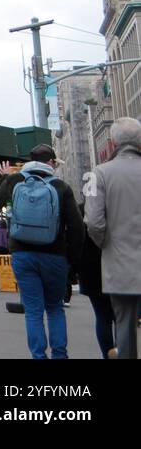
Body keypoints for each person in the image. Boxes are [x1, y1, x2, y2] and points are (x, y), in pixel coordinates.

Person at [0, 144, 85, 359]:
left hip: (22, 254)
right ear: (50, 162)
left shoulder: (15, 181)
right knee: (55, 309)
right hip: (55, 255)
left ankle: (38, 356)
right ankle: (60, 355)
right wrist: (72, 261)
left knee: (33, 311)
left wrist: (3, 177)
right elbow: (77, 228)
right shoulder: (61, 187)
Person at [84, 117, 141, 359]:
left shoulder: (100, 174)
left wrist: (108, 245)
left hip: (119, 265)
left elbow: (94, 222)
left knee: (124, 326)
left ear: (113, 141)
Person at [77, 200, 115, 358]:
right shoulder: (120, 206)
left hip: (91, 267)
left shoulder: (82, 208)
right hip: (119, 264)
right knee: (122, 318)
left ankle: (107, 356)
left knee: (102, 317)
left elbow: (76, 236)